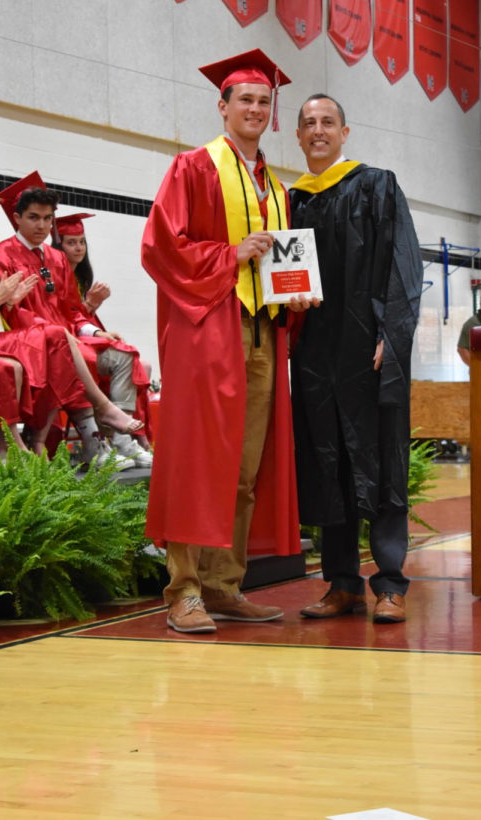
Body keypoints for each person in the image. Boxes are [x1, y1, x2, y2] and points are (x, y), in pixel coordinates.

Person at [141, 49, 310, 634]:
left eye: (265, 102)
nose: (256, 110)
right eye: (246, 100)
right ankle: (182, 590)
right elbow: (160, 246)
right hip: (208, 330)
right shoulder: (192, 168)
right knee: (196, 462)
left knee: (243, 466)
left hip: (264, 334)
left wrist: (297, 294)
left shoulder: (277, 188)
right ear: (222, 106)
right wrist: (229, 254)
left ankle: (224, 585)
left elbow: (283, 263)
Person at [289, 94, 423, 624]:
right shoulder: (292, 201)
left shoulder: (377, 185)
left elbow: (404, 265)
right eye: (309, 124)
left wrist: (393, 334)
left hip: (368, 346)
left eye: (328, 122)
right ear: (297, 137)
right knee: (328, 463)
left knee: (382, 460)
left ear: (346, 132)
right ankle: (341, 584)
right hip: (316, 350)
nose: (318, 131)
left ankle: (389, 583)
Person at [0, 187, 139, 462]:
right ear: (17, 219)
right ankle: (77, 434)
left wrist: (91, 324)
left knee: (124, 354)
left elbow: (69, 309)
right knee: (56, 344)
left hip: (30, 336)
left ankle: (119, 440)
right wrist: (2, 301)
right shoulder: (1, 256)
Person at [52, 211, 153, 465]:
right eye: (71, 242)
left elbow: (75, 318)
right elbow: (63, 319)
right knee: (114, 358)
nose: (78, 248)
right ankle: (108, 441)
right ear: (58, 245)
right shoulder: (52, 275)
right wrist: (90, 305)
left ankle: (123, 439)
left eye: (82, 241)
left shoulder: (78, 278)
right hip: (59, 344)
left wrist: (99, 332)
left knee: (131, 355)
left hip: (76, 338)